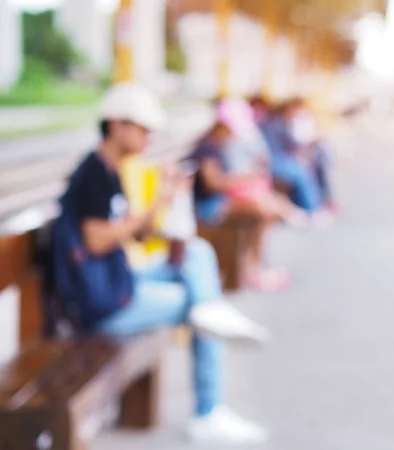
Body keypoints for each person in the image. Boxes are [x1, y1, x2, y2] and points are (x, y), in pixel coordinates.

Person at [51, 83, 269, 446]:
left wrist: (166, 198)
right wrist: (153, 209)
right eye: (144, 128)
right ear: (117, 125)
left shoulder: (110, 169)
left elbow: (134, 234)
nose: (149, 136)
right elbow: (97, 239)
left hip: (116, 281)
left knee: (197, 254)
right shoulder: (93, 174)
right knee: (199, 312)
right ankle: (207, 412)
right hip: (102, 302)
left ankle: (207, 309)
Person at [190, 121, 292, 292]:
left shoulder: (214, 146)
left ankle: (254, 267)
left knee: (265, 210)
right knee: (262, 213)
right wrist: (245, 178)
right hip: (209, 209)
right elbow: (213, 183)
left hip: (217, 203)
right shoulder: (207, 149)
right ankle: (255, 270)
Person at [256, 98, 333, 221]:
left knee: (310, 165)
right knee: (302, 171)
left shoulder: (279, 122)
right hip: (274, 160)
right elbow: (283, 149)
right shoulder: (277, 124)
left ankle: (317, 204)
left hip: (278, 159)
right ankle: (312, 209)